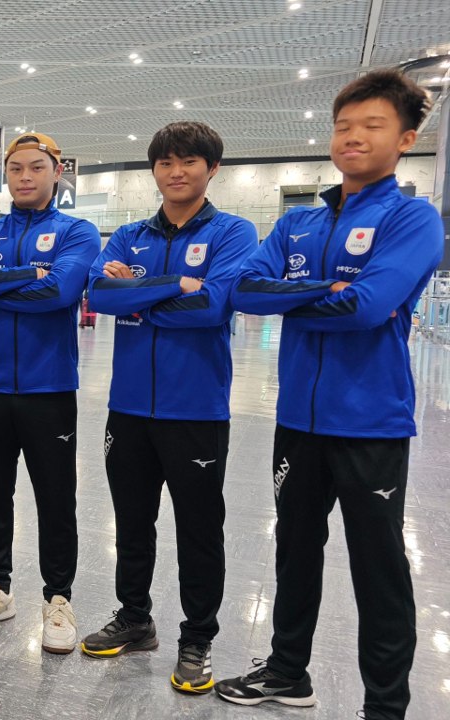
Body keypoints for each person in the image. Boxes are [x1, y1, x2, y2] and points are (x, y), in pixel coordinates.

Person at [219, 69, 439, 720]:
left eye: (373, 126)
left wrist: (294, 297)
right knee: (294, 552)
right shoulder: (298, 224)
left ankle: (385, 707)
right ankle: (288, 673)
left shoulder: (412, 219)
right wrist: (327, 292)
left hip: (371, 423)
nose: (353, 138)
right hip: (297, 420)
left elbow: (368, 307)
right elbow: (243, 291)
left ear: (406, 139)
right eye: (344, 126)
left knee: (378, 567)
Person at [82, 121, 257, 693]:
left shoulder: (234, 232)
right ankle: (135, 617)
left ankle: (198, 637)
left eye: (189, 161)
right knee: (132, 522)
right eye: (165, 162)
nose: (176, 172)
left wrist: (138, 293)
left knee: (199, 529)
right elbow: (99, 296)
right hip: (129, 408)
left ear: (212, 168)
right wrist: (177, 284)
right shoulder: (128, 234)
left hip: (196, 410)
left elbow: (212, 307)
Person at [0, 132, 99, 652]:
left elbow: (60, 291)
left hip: (48, 389)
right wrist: (27, 275)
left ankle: (59, 597)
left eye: (36, 167)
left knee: (56, 499)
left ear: (57, 172)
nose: (25, 176)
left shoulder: (78, 232)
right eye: (16, 168)